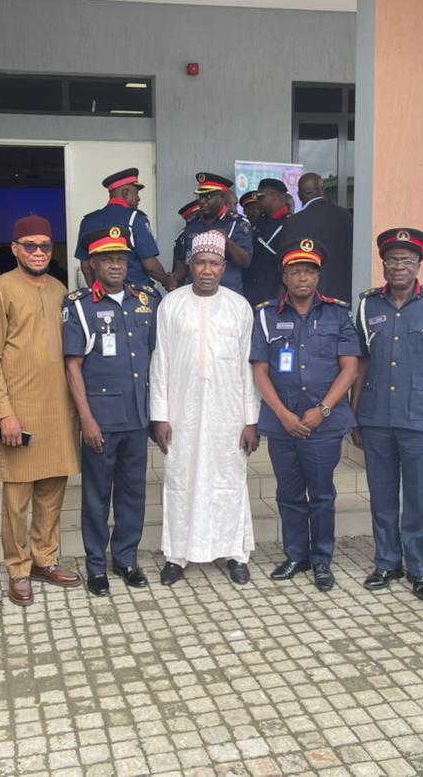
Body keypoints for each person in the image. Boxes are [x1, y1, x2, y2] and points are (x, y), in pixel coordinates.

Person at [351, 229, 423, 602]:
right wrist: (355, 416)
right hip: (376, 417)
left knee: (418, 498)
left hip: (420, 418)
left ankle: (418, 569)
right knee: (382, 495)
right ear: (383, 264)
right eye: (392, 260)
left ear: (419, 265)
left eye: (407, 261)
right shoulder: (369, 306)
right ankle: (387, 563)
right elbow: (361, 364)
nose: (399, 266)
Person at [0, 214, 82, 606]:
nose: (38, 253)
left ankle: (45, 559)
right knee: (17, 498)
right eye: (30, 246)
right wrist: (4, 412)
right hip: (19, 410)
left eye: (44, 246)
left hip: (59, 409)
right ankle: (18, 569)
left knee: (53, 491)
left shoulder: (60, 290)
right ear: (15, 249)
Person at [151, 231, 260, 586]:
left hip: (228, 415)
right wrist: (161, 415)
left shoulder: (239, 306)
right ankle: (177, 555)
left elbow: (249, 368)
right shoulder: (171, 304)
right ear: (191, 265)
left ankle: (235, 553)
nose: (207, 270)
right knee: (181, 480)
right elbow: (160, 362)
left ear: (224, 267)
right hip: (182, 413)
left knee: (229, 481)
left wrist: (250, 420)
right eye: (201, 263)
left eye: (214, 263)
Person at [251, 238, 360, 592]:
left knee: (322, 494)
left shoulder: (338, 314)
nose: (303, 278)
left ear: (318, 276)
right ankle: (296, 554)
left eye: (309, 271)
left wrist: (324, 409)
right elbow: (260, 371)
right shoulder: (266, 315)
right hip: (283, 423)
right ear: (284, 276)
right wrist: (282, 414)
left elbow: (350, 368)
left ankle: (322, 560)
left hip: (323, 425)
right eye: (296, 271)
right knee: (289, 493)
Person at [63, 227, 157, 596]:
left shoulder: (145, 301)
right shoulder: (80, 306)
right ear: (94, 264)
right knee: (97, 496)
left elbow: (152, 358)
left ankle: (126, 559)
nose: (116, 265)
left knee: (133, 493)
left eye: (121, 258)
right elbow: (72, 367)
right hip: (100, 419)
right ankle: (96, 566)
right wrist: (86, 419)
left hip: (136, 416)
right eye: (107, 259)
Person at [77, 168, 175, 293]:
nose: (138, 199)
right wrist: (167, 280)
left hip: (102, 296)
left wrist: (96, 292)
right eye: (136, 193)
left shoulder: (88, 221)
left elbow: (85, 265)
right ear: (125, 193)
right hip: (136, 295)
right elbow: (150, 265)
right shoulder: (135, 219)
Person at [172, 173, 253, 295]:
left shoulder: (237, 224)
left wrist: (227, 242)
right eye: (200, 197)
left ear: (222, 198)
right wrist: (172, 280)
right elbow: (186, 261)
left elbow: (245, 261)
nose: (202, 201)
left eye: (208, 197)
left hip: (227, 293)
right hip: (195, 294)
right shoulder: (193, 224)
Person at [282, 172, 353, 302]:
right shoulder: (346, 216)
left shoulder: (294, 222)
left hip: (309, 297)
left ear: (298, 196)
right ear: (323, 190)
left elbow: (287, 262)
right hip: (344, 292)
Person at [242, 178, 292, 306]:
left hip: (273, 294)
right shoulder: (259, 222)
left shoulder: (290, 224)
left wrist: (282, 294)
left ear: (274, 195)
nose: (257, 202)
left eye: (260, 197)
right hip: (251, 292)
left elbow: (288, 264)